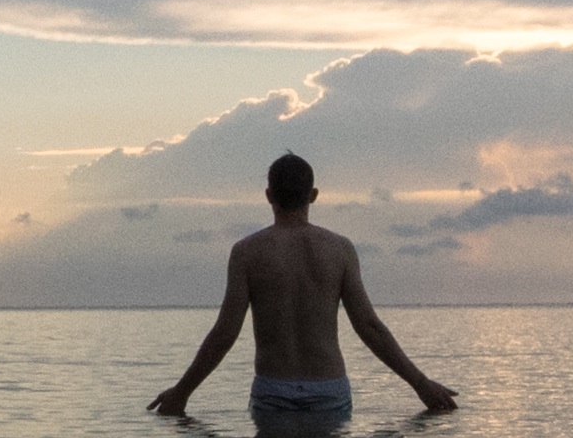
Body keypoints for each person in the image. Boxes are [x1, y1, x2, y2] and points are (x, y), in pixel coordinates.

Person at [150, 152, 461, 423]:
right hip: (328, 387)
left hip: (273, 388)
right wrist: (421, 384)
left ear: (269, 195)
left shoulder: (247, 252)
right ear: (313, 195)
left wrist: (182, 392)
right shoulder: (339, 249)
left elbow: (225, 333)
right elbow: (369, 327)